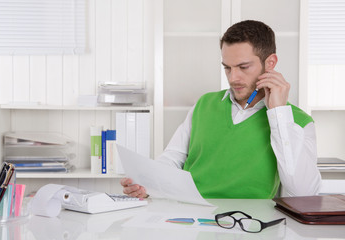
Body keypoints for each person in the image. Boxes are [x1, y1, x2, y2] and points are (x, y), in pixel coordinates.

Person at [121, 20, 321, 199]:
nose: (233, 78)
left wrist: (278, 113)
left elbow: (304, 193)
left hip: (250, 223)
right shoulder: (204, 104)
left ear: (270, 63)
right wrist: (148, 183)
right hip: (190, 215)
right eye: (227, 67)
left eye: (243, 67)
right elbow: (173, 158)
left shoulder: (298, 121)